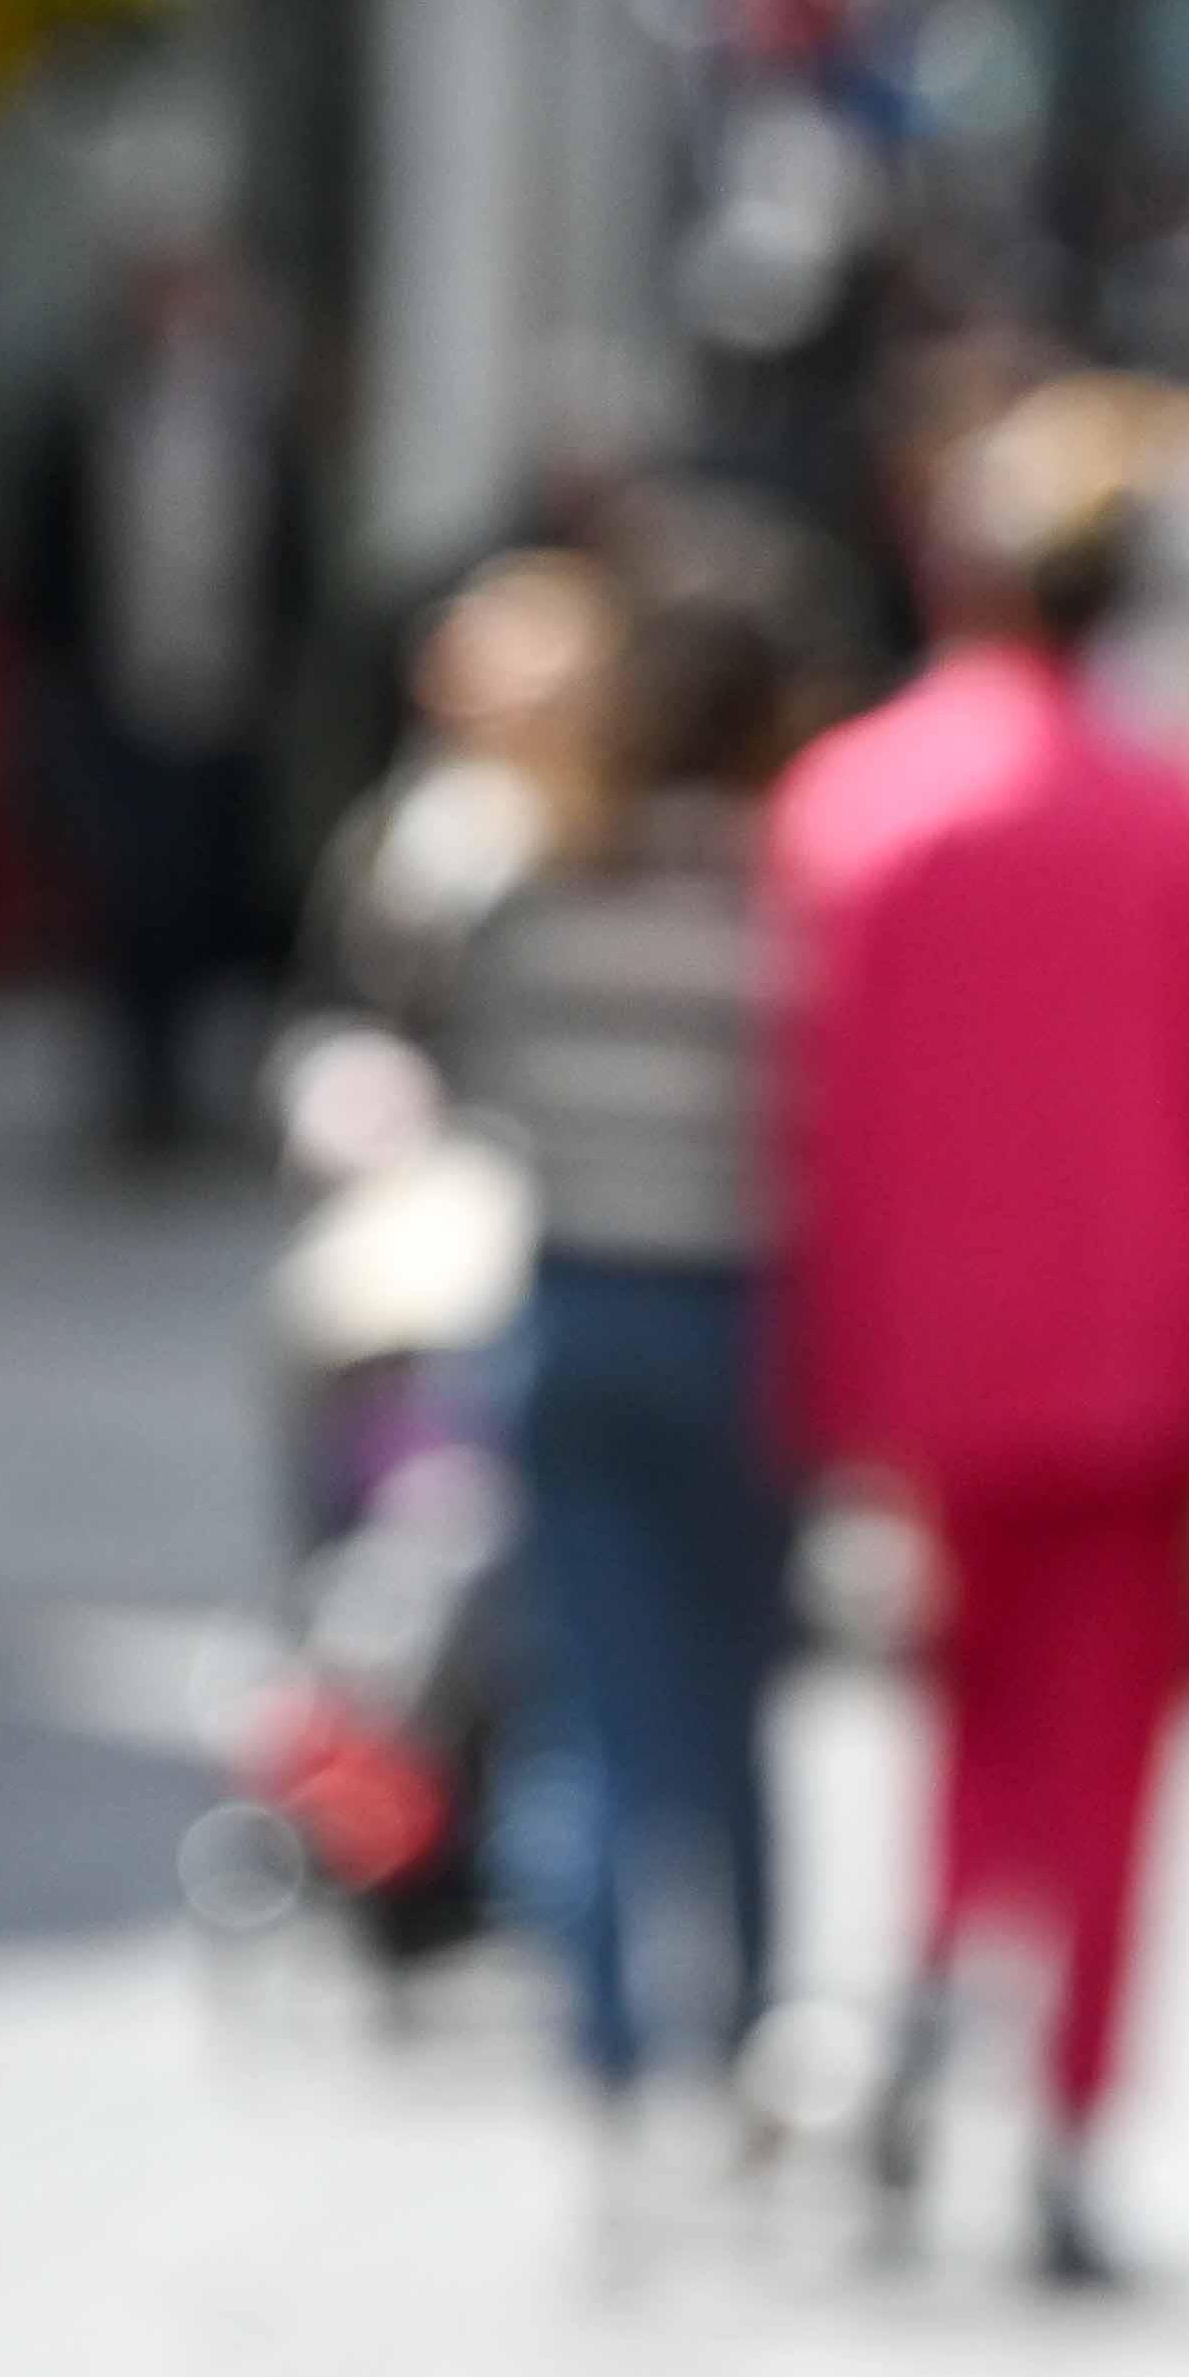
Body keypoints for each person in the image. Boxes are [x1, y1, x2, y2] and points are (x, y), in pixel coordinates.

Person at [773, 387, 1189, 2288]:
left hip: (927, 1350)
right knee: (1110, 1743)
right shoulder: (1186, 819)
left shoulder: (853, 800)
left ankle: (937, 1974)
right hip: (1139, 1345)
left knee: (971, 1708)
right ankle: (1073, 2111)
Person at [453, 511, 816, 2195]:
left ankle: (599, 2037)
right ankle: (736, 2026)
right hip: (746, 1313)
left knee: (594, 1696)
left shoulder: (534, 878)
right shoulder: (799, 895)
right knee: (735, 1696)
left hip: (577, 1301)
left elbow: (484, 1088)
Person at [14, 248, 310, 1161]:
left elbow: (294, 558)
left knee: (204, 890)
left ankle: (189, 1083)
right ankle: (137, 1083)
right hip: (114, 691)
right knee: (128, 891)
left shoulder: (258, 423)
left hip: (226, 693)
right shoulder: (88, 420)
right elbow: (42, 558)